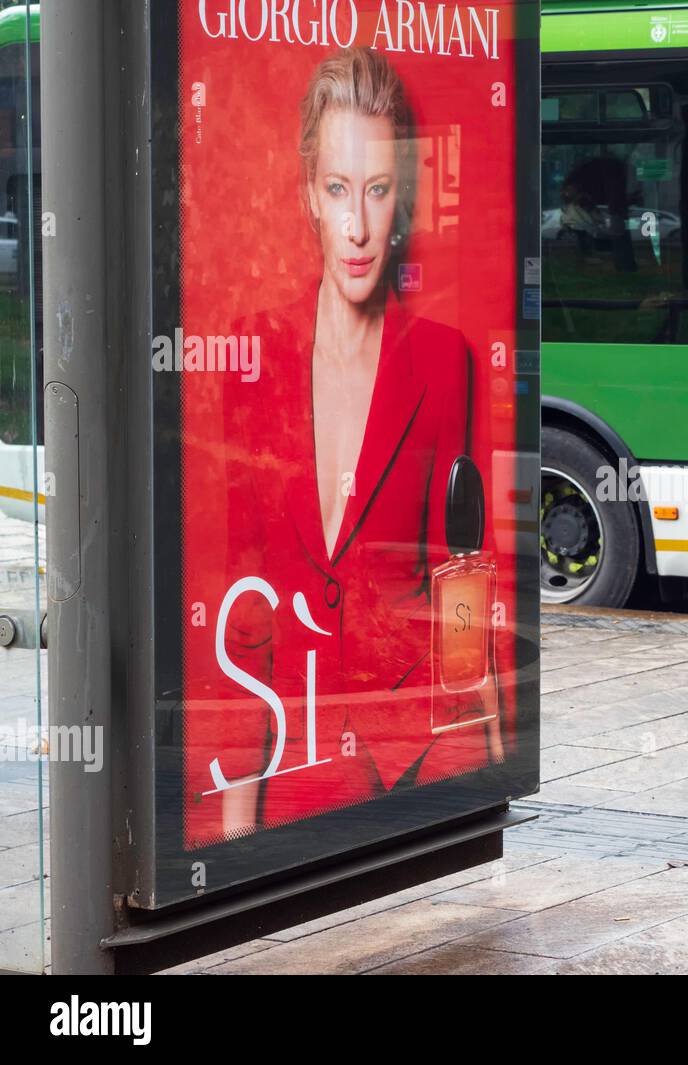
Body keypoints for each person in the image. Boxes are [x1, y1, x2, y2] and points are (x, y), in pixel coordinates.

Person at [211, 47, 504, 838]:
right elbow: (246, 608)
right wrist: (239, 829)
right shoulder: (255, 355)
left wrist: (475, 777)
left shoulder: (445, 362)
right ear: (309, 191)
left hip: (419, 759)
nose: (359, 227)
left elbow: (460, 589)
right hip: (301, 764)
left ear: (400, 193)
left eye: (376, 191)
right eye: (339, 190)